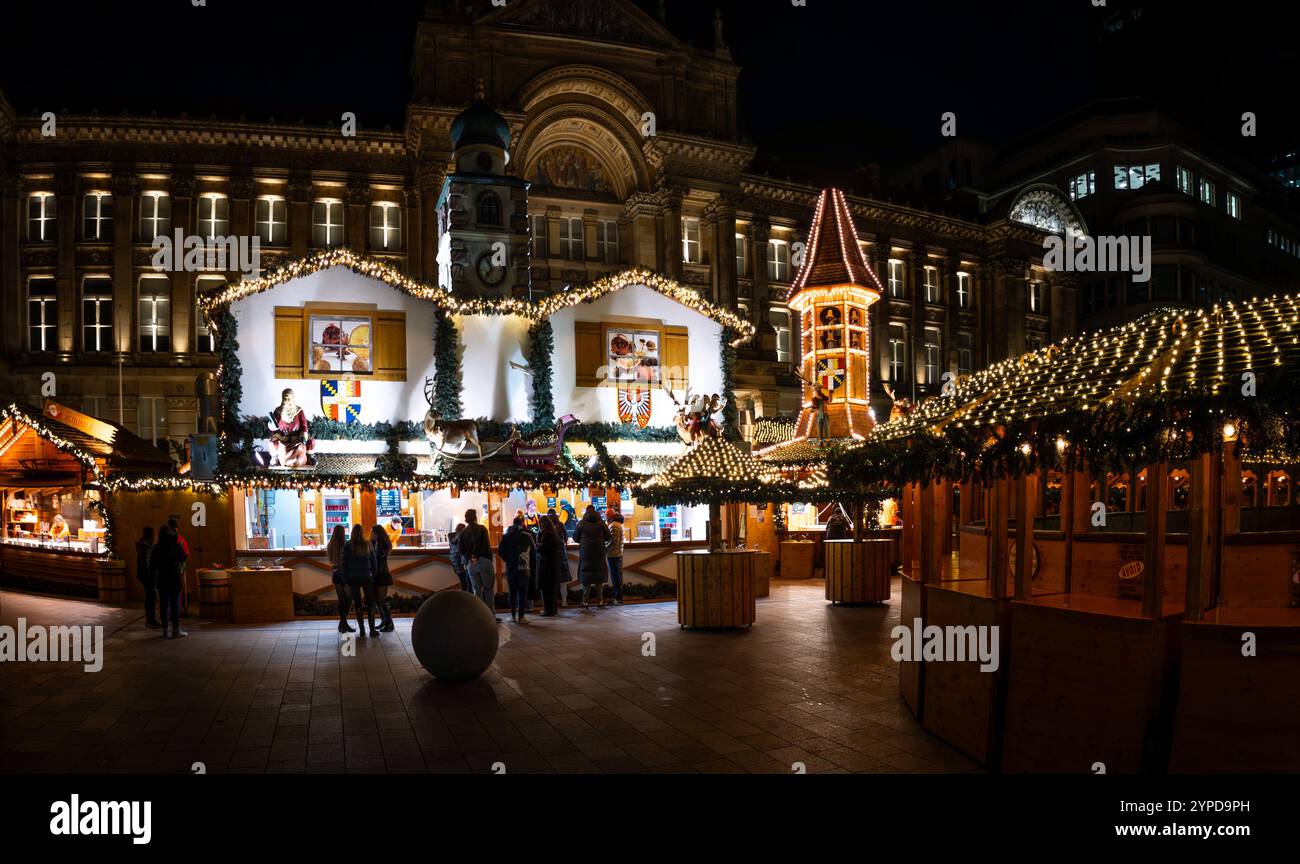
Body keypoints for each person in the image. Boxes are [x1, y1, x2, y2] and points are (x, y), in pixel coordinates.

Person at [461, 509, 499, 622]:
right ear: (475, 517)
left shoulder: (463, 532)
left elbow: (461, 549)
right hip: (483, 561)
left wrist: (471, 557)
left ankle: (479, 616)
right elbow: (485, 546)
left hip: (471, 565)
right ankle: (490, 616)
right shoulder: (482, 529)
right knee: (488, 589)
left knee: (476, 590)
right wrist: (477, 556)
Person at [151, 525, 188, 638]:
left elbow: (153, 565)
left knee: (163, 604)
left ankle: (165, 630)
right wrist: (181, 547)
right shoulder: (175, 546)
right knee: (175, 605)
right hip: (174, 578)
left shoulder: (157, 547)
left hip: (162, 578)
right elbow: (183, 557)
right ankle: (176, 630)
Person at [341, 524, 378, 637]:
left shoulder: (348, 545)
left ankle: (362, 630)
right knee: (370, 603)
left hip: (352, 577)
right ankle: (372, 629)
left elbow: (344, 563)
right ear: (362, 532)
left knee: (357, 603)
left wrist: (345, 579)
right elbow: (373, 561)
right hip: (366, 576)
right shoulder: (368, 544)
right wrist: (374, 574)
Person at [497, 515, 536, 623]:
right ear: (522, 523)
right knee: (523, 593)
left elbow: (501, 552)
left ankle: (513, 615)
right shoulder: (527, 536)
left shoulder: (506, 536)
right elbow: (533, 551)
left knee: (512, 592)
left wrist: (508, 560)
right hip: (524, 567)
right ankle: (521, 616)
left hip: (511, 567)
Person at [572, 505, 611, 609]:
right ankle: (600, 601)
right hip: (599, 553)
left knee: (587, 579)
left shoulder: (582, 523)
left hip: (586, 553)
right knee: (599, 579)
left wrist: (583, 540)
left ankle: (584, 602)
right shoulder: (601, 523)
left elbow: (575, 537)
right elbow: (608, 536)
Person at [327, 524, 352, 632]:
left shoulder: (330, 545)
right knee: (348, 600)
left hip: (336, 573)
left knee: (342, 600)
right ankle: (343, 623)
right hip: (345, 574)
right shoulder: (345, 544)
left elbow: (332, 560)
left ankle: (343, 624)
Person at [537, 513, 563, 617]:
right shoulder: (553, 533)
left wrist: (537, 544)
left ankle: (548, 611)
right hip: (553, 565)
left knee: (546, 589)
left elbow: (542, 549)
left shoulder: (546, 534)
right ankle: (553, 610)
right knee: (552, 589)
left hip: (546, 565)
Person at [370, 524, 395, 632]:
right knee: (376, 600)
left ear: (377, 534)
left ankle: (389, 623)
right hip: (376, 574)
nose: (371, 535)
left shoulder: (383, 544)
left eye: (373, 533)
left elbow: (378, 557)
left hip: (382, 574)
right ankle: (384, 621)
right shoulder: (375, 543)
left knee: (381, 600)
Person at [135, 526, 159, 629]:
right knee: (151, 597)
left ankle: (150, 619)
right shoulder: (146, 546)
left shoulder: (142, 544)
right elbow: (147, 562)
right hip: (148, 575)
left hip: (144, 575)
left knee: (149, 597)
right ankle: (150, 620)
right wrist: (152, 575)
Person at [168, 517, 192, 615]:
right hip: (178, 568)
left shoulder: (166, 540)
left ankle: (172, 612)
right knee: (178, 590)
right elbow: (186, 554)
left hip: (172, 569)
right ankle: (177, 611)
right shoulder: (180, 539)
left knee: (172, 590)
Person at [606, 509, 625, 606]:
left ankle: (618, 598)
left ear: (610, 516)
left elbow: (613, 542)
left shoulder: (614, 525)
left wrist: (604, 549)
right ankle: (618, 597)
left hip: (614, 554)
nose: (606, 518)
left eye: (606, 516)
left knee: (616, 578)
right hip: (617, 554)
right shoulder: (617, 524)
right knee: (617, 577)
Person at [448, 522, 473, 592]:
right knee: (468, 584)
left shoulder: (450, 536)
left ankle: (465, 598)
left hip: (455, 563)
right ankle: (468, 599)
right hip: (463, 563)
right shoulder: (463, 536)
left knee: (464, 583)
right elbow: (464, 550)